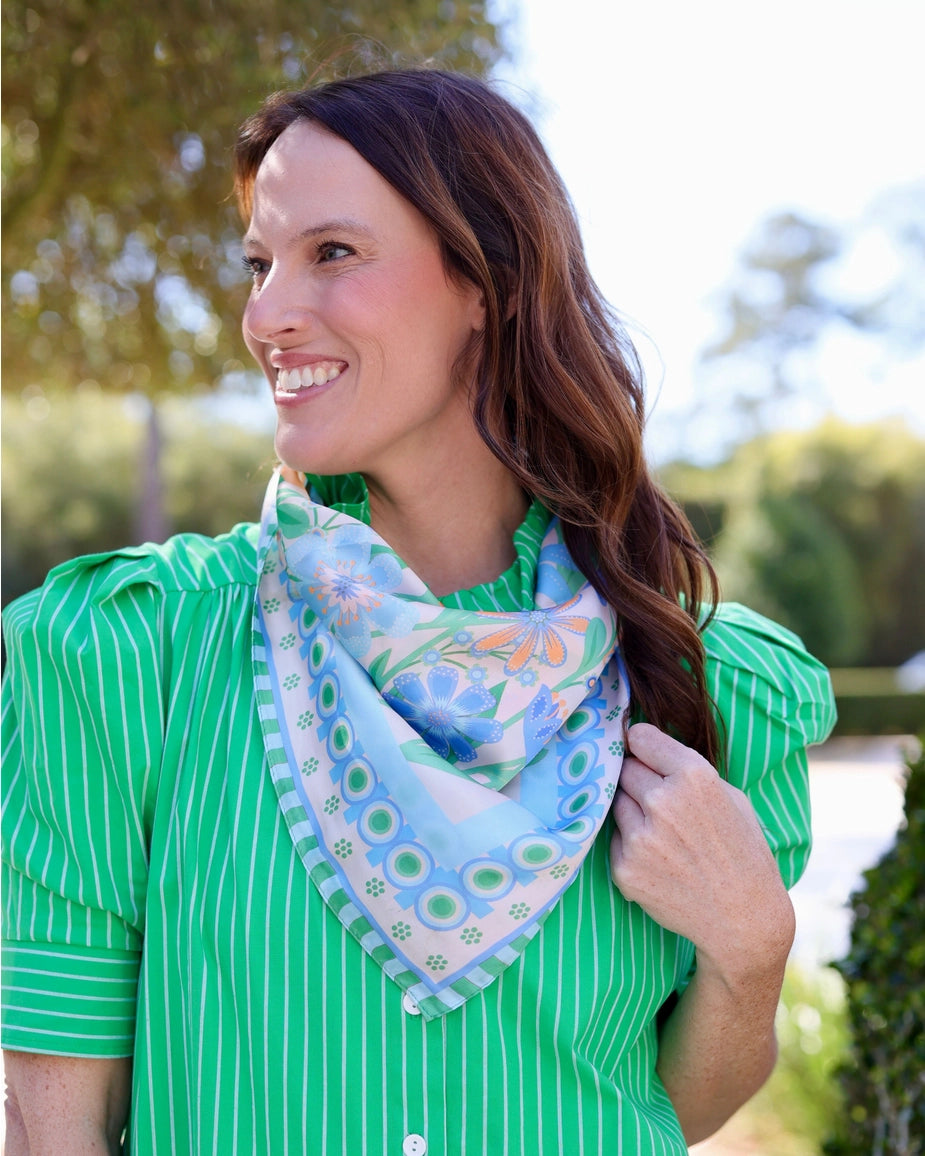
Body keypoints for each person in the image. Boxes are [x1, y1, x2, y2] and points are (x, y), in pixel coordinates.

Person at [2, 68, 835, 1154]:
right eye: (259, 264)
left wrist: (753, 948)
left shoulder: (710, 683)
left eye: (331, 253)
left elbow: (670, 1109)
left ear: (488, 281)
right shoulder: (132, 654)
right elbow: (52, 1125)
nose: (265, 314)